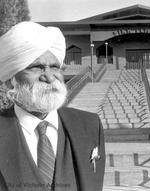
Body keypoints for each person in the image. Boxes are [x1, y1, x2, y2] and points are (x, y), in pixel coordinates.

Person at [0, 21, 105, 191]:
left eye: (55, 67)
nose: (49, 77)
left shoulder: (90, 125)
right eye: (36, 68)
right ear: (10, 81)